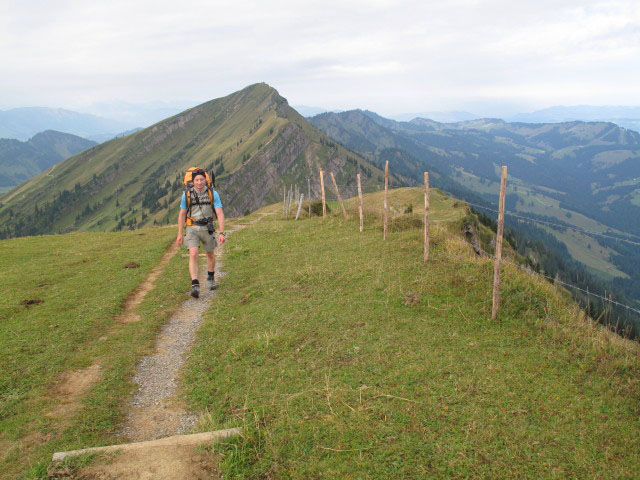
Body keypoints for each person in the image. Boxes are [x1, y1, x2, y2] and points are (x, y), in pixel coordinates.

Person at [176, 169, 225, 298]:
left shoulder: (212, 193)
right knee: (193, 253)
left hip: (207, 227)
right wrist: (180, 233)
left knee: (210, 253)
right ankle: (195, 284)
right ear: (192, 181)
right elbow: (182, 214)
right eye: (196, 180)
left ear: (205, 180)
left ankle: (210, 276)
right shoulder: (186, 195)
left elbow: (219, 213)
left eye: (201, 180)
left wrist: (221, 232)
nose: (199, 182)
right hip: (191, 228)